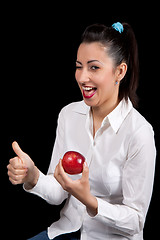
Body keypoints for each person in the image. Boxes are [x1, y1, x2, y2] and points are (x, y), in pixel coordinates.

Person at [7, 22, 156, 240]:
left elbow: (136, 221)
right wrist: (33, 176)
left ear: (120, 71)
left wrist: (90, 200)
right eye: (79, 66)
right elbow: (58, 193)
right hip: (65, 232)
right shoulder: (68, 115)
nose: (82, 77)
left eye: (94, 67)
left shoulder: (139, 132)